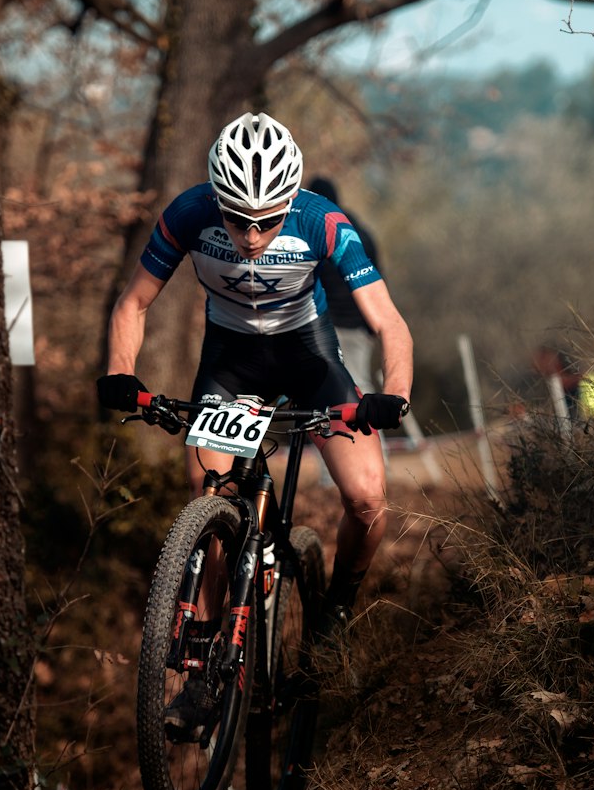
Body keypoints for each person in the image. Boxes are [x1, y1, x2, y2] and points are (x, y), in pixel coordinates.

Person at [97, 113, 413, 735]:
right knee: (209, 501)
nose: (249, 234)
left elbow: (389, 323)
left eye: (266, 219)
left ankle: (336, 616)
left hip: (308, 358)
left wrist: (392, 395)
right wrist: (120, 372)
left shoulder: (322, 222)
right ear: (217, 199)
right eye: (237, 217)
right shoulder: (188, 213)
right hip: (231, 363)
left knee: (369, 498)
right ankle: (199, 676)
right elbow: (133, 301)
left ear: (290, 199)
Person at [307, 175, 382, 395]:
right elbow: (378, 279)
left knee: (325, 388)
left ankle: (331, 430)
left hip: (327, 325)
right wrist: (372, 327)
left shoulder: (312, 235)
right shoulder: (360, 232)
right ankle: (369, 429)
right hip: (359, 325)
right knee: (361, 385)